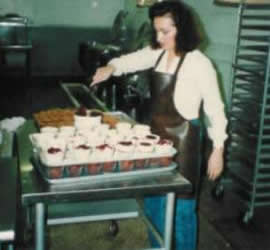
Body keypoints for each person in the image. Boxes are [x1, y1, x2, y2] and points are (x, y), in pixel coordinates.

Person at [91, 1, 227, 250]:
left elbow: (216, 110)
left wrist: (217, 150)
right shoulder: (159, 53)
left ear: (182, 29)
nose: (159, 37)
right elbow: (135, 59)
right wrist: (112, 67)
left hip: (185, 142)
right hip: (156, 140)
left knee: (182, 211)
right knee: (154, 204)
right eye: (156, 31)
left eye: (165, 31)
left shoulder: (200, 64)